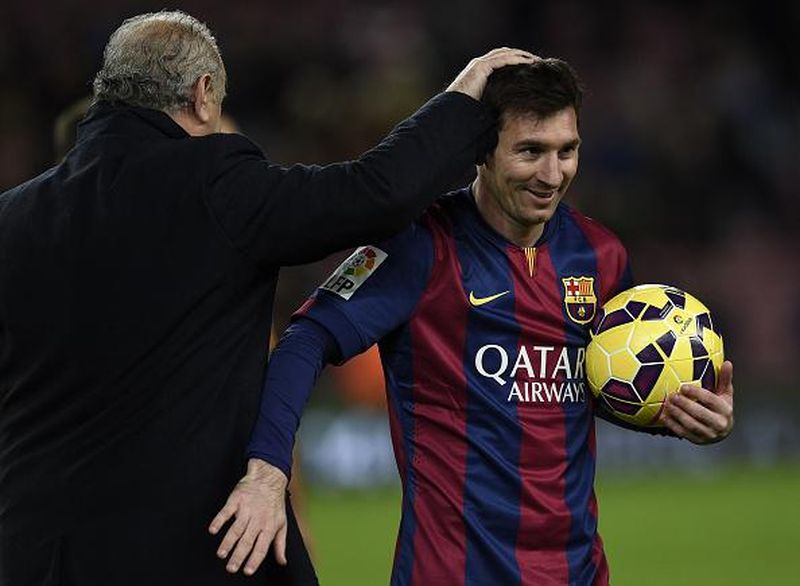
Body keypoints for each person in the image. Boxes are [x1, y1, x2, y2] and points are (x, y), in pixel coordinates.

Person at [0, 8, 537, 585]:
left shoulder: (14, 216)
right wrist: (465, 96)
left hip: (33, 548)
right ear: (205, 95)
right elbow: (374, 193)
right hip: (188, 545)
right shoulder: (214, 184)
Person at [210, 59, 736, 583]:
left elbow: (590, 384)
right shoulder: (420, 245)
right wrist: (266, 473)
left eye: (566, 150)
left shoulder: (600, 255)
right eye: (530, 151)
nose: (552, 175)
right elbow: (306, 338)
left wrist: (681, 416)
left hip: (577, 571)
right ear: (482, 151)